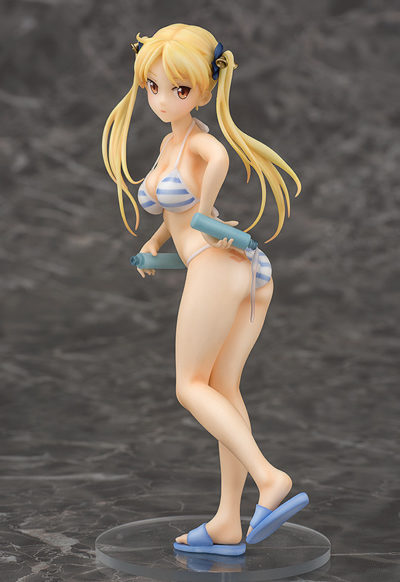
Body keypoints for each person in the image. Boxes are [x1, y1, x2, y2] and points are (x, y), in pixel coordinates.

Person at [102, 23, 308, 556]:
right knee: (222, 389)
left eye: (179, 89)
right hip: (232, 268)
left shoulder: (200, 143)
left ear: (204, 90)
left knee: (189, 386)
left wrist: (210, 212)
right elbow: (176, 218)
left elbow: (214, 173)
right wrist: (153, 247)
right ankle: (226, 523)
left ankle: (269, 477)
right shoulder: (169, 143)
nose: (162, 99)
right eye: (153, 86)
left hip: (218, 263)